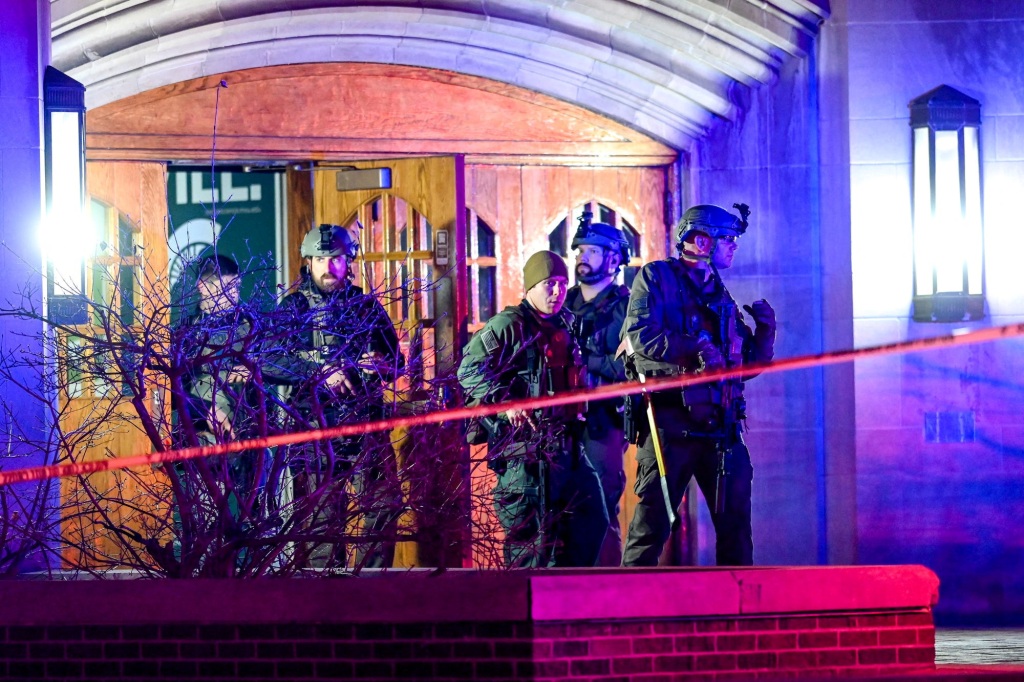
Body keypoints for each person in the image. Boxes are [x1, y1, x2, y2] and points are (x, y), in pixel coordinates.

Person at [620, 204, 776, 567]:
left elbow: (743, 367)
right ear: (701, 240)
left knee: (736, 528)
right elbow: (641, 336)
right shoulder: (657, 278)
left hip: (721, 429)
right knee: (651, 528)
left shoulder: (720, 294)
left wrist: (766, 332)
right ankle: (626, 613)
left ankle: (735, 616)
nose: (734, 246)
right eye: (728, 239)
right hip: (671, 427)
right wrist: (696, 348)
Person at [458, 250, 608, 568]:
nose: (557, 292)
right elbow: (468, 370)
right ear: (530, 287)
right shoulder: (508, 324)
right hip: (524, 453)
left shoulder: (567, 322)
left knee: (591, 520)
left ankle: (567, 606)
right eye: (549, 284)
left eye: (563, 284)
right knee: (531, 547)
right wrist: (506, 402)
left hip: (568, 447)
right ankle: (526, 613)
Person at [269, 224, 405, 569]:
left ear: (349, 261)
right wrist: (322, 370)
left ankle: (372, 589)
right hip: (316, 431)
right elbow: (268, 360)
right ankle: (326, 600)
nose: (328, 268)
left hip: (366, 427)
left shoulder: (365, 307)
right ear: (308, 262)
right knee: (320, 522)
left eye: (336, 259)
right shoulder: (293, 308)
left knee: (385, 505)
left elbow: (396, 362)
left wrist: (376, 365)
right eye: (320, 259)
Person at [565, 212, 632, 566]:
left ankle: (606, 591)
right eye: (580, 251)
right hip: (559, 422)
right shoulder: (561, 302)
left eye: (592, 251)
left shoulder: (628, 309)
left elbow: (629, 367)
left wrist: (586, 361)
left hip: (603, 421)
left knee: (601, 505)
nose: (582, 258)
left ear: (614, 259)